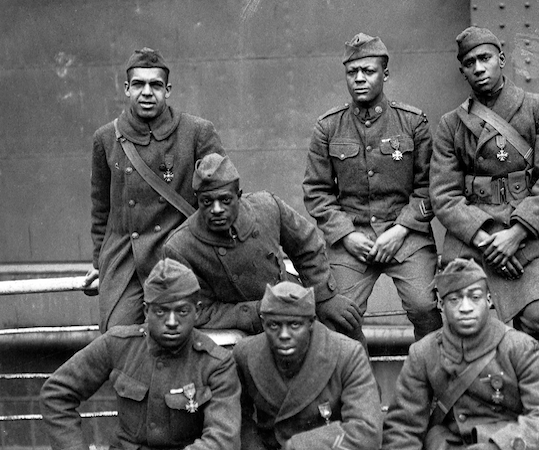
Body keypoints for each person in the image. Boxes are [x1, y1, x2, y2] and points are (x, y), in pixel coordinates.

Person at [430, 26, 539, 361]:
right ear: (463, 70)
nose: (479, 68)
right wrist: (487, 239)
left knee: (538, 317)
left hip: (536, 238)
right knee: (469, 320)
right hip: (476, 240)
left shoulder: (537, 109)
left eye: (485, 58)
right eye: (470, 62)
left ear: (501, 60)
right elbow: (443, 196)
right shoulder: (451, 125)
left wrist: (517, 233)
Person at [303, 32, 442, 342]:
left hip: (405, 235)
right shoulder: (328, 127)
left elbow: (429, 187)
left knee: (425, 307)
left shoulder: (413, 123)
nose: (360, 79)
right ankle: (359, 386)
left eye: (368, 71)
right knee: (339, 315)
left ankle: (429, 383)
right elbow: (317, 191)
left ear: (385, 74)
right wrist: (347, 235)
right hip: (352, 236)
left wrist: (401, 230)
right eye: (352, 72)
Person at [382, 258, 539, 450]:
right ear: (441, 304)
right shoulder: (423, 353)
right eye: (455, 299)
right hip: (458, 441)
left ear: (488, 300)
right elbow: (404, 427)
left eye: (474, 297)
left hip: (516, 441)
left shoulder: (520, 347)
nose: (465, 307)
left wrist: (497, 446)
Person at [86, 47, 227, 332]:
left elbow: (222, 198)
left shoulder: (197, 132)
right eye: (138, 84)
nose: (147, 92)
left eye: (156, 85)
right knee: (118, 338)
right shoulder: (105, 138)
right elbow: (102, 209)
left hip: (180, 257)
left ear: (168, 90)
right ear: (126, 88)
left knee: (180, 335)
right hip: (126, 261)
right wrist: (98, 262)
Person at [41, 258, 241, 450]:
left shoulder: (216, 363)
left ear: (197, 311)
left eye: (182, 311)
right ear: (146, 311)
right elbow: (56, 393)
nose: (171, 322)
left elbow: (223, 439)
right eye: (161, 311)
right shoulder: (118, 345)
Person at [163, 153, 361, 336]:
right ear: (197, 201)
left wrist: (323, 297)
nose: (216, 209)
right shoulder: (180, 248)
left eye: (225, 200)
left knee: (345, 326)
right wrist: (258, 311)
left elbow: (307, 245)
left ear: (238, 196)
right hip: (243, 327)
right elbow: (199, 311)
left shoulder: (267, 207)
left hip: (290, 300)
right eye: (207, 202)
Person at [234, 281, 382, 450]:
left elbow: (366, 431)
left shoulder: (347, 354)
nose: (284, 335)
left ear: (311, 323)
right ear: (263, 323)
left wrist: (299, 445)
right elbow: (237, 418)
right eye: (274, 325)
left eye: (294, 325)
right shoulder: (245, 354)